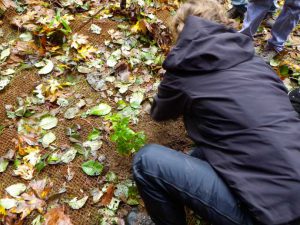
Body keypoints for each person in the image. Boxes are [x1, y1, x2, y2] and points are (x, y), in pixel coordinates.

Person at [131, 0, 300, 224]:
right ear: (222, 23)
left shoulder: (183, 70)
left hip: (272, 218)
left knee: (147, 161)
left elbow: (160, 112)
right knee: (199, 153)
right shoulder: (257, 63)